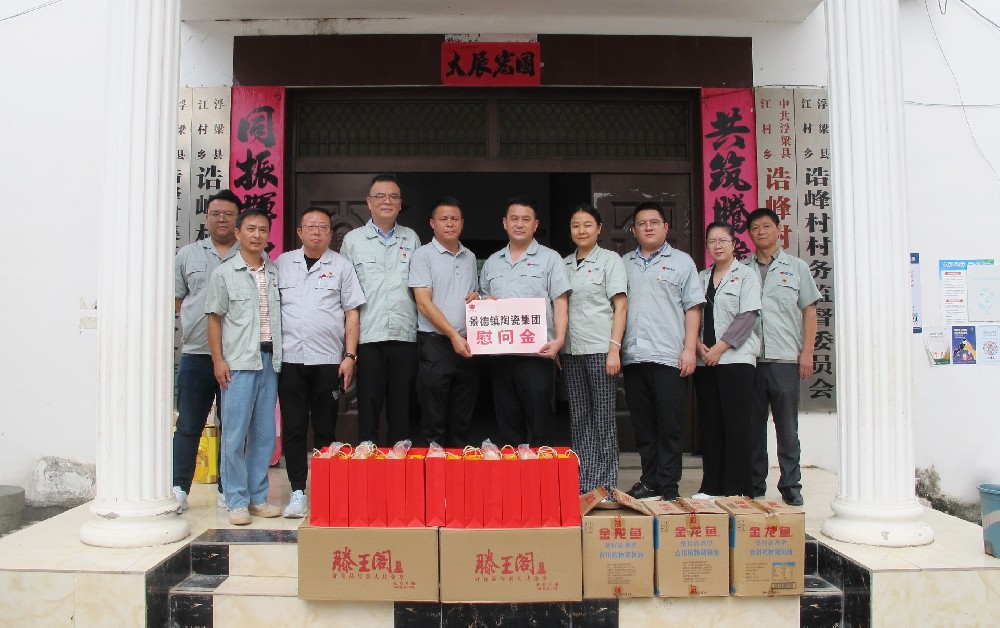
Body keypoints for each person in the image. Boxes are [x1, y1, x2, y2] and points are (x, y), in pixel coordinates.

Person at [275, 208, 364, 518]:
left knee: (326, 429)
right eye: (310, 226)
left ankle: (327, 491)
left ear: (330, 233)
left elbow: (352, 313)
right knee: (294, 428)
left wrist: (349, 356)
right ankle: (297, 491)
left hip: (328, 361)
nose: (317, 232)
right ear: (299, 232)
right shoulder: (282, 264)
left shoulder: (341, 266)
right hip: (290, 360)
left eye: (323, 227)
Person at [621, 201, 704, 501]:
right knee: (643, 426)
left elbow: (693, 308)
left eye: (654, 222)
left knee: (669, 425)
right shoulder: (623, 264)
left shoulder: (682, 262)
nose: (648, 227)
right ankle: (650, 481)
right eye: (641, 223)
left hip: (670, 357)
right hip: (633, 356)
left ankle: (669, 485)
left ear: (666, 227)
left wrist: (689, 349)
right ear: (633, 230)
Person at [205, 208, 283, 525]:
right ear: (238, 233)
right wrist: (218, 360)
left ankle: (257, 497)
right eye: (250, 229)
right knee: (235, 435)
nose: (257, 235)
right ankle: (236, 500)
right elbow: (214, 318)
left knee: (264, 435)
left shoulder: (274, 272)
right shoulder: (224, 273)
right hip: (238, 362)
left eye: (263, 230)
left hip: (269, 360)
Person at [744, 207, 821, 506]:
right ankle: (754, 483)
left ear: (779, 230)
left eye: (766, 226)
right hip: (750, 360)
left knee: (787, 427)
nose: (761, 232)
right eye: (755, 228)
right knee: (753, 427)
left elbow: (809, 310)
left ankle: (790, 484)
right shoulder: (742, 269)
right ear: (749, 234)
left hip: (785, 359)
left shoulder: (796, 267)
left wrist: (807, 351)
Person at [480, 197, 571, 446]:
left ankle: (541, 471)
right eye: (514, 219)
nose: (519, 224)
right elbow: (484, 301)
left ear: (535, 224)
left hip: (537, 355)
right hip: (501, 355)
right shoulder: (492, 262)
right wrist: (482, 302)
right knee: (508, 424)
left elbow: (560, 302)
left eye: (526, 219)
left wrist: (559, 341)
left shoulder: (551, 259)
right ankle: (514, 471)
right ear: (505, 223)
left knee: (540, 422)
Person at [172, 189, 241, 514]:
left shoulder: (251, 254)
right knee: (189, 425)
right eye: (216, 214)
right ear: (207, 217)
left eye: (228, 214)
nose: (222, 219)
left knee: (234, 428)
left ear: (237, 219)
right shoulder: (188, 255)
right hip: (196, 355)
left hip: (237, 356)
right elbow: (178, 299)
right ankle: (178, 488)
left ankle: (229, 489)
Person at [340, 174, 421, 446]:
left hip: (405, 336)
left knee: (402, 408)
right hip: (369, 337)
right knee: (368, 406)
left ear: (400, 203)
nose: (387, 201)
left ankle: (400, 464)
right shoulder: (353, 241)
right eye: (380, 196)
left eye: (393, 197)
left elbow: (423, 286)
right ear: (369, 202)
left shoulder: (411, 238)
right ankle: (368, 461)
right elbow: (345, 293)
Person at [561, 204, 627, 497]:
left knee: (603, 418)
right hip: (571, 351)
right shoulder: (563, 264)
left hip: (601, 349)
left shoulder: (610, 260)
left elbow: (620, 306)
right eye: (576, 225)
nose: (581, 230)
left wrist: (614, 349)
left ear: (599, 229)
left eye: (588, 225)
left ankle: (607, 485)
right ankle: (584, 482)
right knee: (579, 418)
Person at [692, 222, 761, 499]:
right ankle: (711, 486)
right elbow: (691, 315)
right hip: (704, 362)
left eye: (723, 240)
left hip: (736, 360)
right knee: (711, 425)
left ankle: (736, 489)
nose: (717, 246)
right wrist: (697, 344)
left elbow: (748, 317)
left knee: (736, 426)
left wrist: (719, 348)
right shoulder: (700, 278)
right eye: (712, 241)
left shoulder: (746, 275)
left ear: (734, 244)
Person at [408, 197, 480, 447]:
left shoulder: (470, 257)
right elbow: (423, 303)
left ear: (462, 223)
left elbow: (471, 294)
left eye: (454, 219)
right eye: (444, 219)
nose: (449, 223)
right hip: (436, 343)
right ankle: (435, 468)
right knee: (434, 416)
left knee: (462, 417)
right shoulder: (422, 256)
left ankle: (457, 468)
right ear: (432, 224)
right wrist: (452, 335)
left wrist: (478, 297)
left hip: (468, 344)